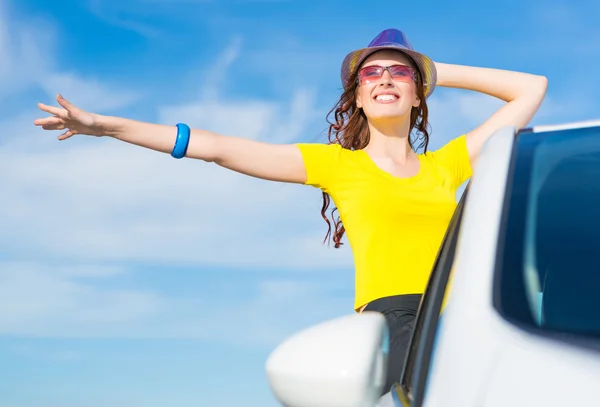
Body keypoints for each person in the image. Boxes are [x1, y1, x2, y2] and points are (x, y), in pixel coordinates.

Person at [33, 28, 547, 393]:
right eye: (372, 73)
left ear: (418, 95)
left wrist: (429, 68)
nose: (385, 79)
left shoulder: (449, 165)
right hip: (397, 324)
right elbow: (214, 146)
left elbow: (531, 88)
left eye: (398, 74)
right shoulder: (336, 166)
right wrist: (103, 125)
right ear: (358, 96)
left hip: (469, 319)